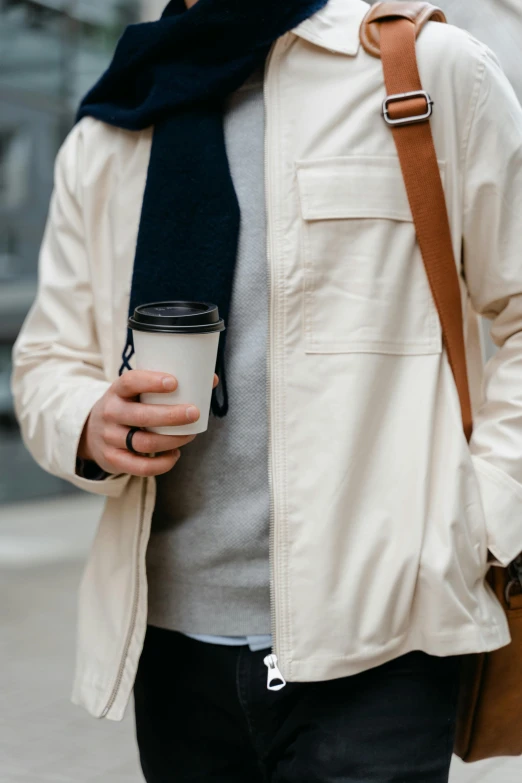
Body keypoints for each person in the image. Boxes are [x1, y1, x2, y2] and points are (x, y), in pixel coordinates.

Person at [11, 0, 522, 780]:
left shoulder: (424, 72)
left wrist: (476, 519)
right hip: (175, 652)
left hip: (382, 645)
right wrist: (87, 420)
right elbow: (47, 357)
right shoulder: (113, 126)